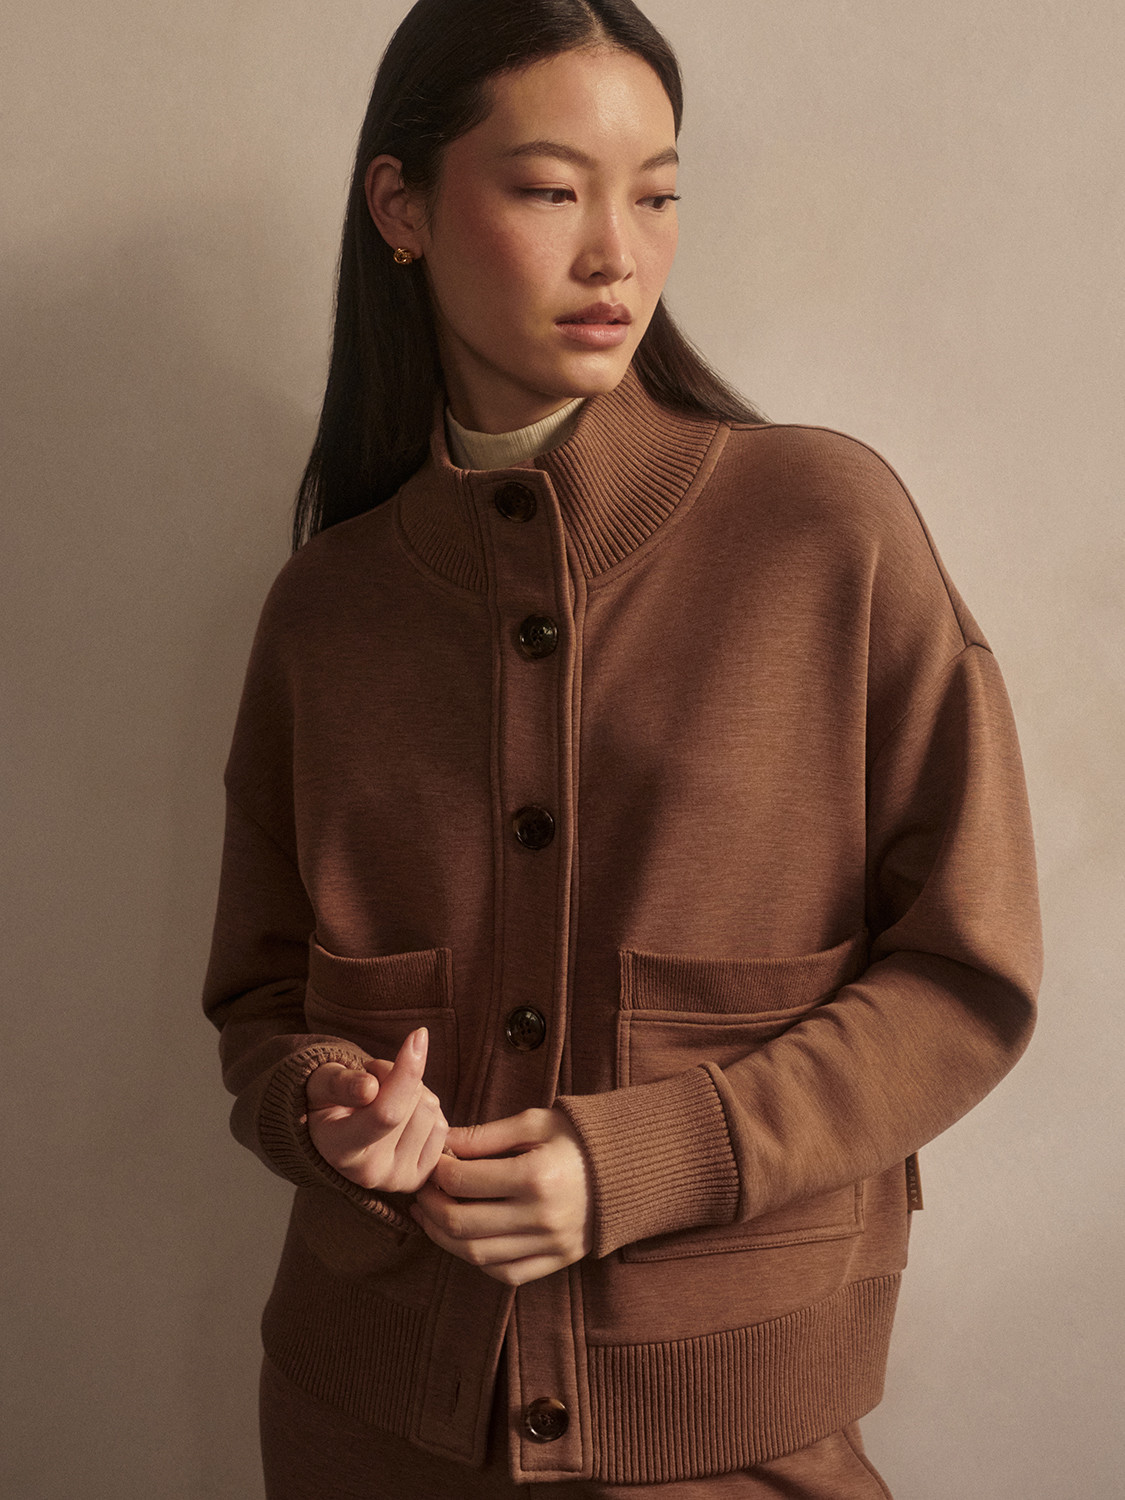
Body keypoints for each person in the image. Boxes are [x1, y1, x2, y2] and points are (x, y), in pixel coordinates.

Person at [201, 1, 1043, 1495]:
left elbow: (964, 977)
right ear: (401, 207)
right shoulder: (326, 610)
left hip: (726, 1426)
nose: (617, 255)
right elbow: (263, 999)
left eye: (656, 196)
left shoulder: (824, 533)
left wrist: (636, 1163)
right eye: (549, 190)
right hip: (362, 1419)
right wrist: (328, 1105)